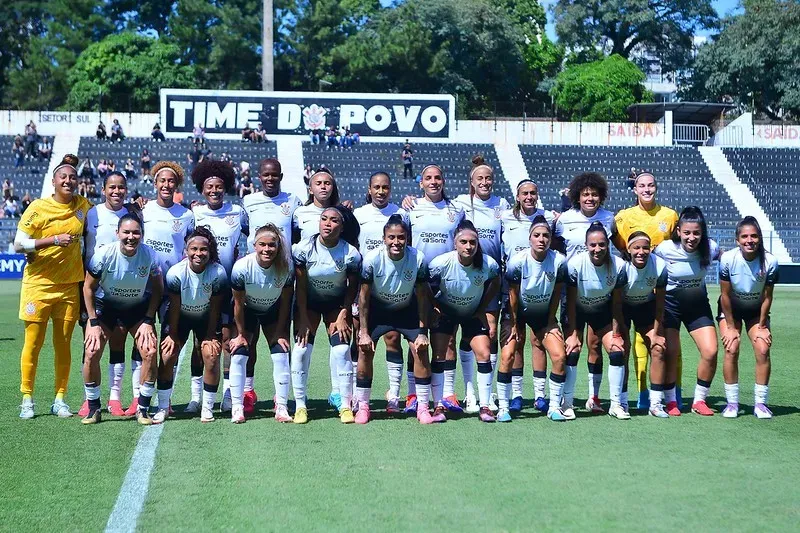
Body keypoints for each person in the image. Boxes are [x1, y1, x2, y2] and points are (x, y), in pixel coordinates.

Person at [15, 154, 92, 419]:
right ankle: (27, 398)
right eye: (64, 177)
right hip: (38, 285)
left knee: (64, 344)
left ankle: (59, 399)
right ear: (54, 181)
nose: (68, 181)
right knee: (33, 343)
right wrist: (50, 240)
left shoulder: (83, 206)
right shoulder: (38, 207)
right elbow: (18, 244)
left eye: (73, 177)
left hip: (69, 286)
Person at [81, 214, 163, 424]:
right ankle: (93, 408)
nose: (131, 237)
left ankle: (143, 409)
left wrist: (148, 319)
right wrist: (93, 322)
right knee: (91, 352)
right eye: (126, 232)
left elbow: (158, 289)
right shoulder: (103, 255)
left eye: (136, 232)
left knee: (150, 350)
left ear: (142, 235)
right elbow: (88, 288)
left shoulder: (150, 256)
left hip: (136, 309)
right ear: (117, 233)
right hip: (106, 308)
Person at [356, 215, 435, 423]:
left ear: (407, 238)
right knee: (365, 350)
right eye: (391, 237)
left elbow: (423, 297)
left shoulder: (417, 258)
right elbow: (363, 297)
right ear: (384, 238)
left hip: (406, 310)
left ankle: (423, 408)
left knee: (420, 349)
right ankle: (363, 406)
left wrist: (422, 332)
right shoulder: (372, 259)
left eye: (401, 237)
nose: (396, 242)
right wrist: (364, 332)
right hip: (378, 311)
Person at [614, 168, 680, 410]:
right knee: (622, 349)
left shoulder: (670, 215)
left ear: (656, 187)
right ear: (635, 189)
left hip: (656, 291)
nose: (647, 190)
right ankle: (622, 400)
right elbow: (622, 247)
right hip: (629, 288)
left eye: (651, 185)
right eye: (642, 186)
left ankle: (664, 399)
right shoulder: (623, 217)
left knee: (665, 346)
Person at [241, 158, 303, 410]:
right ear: (259, 176)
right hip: (255, 276)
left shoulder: (293, 201)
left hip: (281, 277)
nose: (270, 179)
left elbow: (300, 230)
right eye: (266, 175)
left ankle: (281, 395)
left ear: (281, 176)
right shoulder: (249, 202)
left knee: (280, 337)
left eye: (274, 175)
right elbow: (245, 233)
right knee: (249, 339)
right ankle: (247, 391)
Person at [403, 164, 464, 413]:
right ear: (421, 183)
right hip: (416, 282)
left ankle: (447, 394)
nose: (434, 182)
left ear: (444, 181)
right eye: (428, 178)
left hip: (445, 283)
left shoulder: (456, 210)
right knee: (414, 340)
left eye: (438, 177)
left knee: (447, 340)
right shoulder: (411, 208)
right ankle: (413, 396)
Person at [291, 206, 361, 424]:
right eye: (324, 219)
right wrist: (302, 318)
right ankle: (300, 406)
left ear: (342, 227)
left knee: (341, 350)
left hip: (336, 305)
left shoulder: (350, 253)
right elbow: (300, 287)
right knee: (301, 351)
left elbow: (352, 288)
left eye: (333, 221)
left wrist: (343, 313)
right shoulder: (303, 248)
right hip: (308, 304)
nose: (327, 224)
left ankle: (345, 405)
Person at [450, 156, 509, 413]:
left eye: (488, 178)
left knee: (489, 333)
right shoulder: (461, 203)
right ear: (471, 182)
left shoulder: (503, 204)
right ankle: (470, 391)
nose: (484, 182)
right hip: (465, 277)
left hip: (491, 278)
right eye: (480, 178)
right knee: (460, 333)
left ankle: (488, 389)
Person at [554, 172, 616, 414]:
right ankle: (566, 401)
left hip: (601, 290)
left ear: (601, 196)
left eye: (594, 194)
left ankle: (595, 397)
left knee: (596, 345)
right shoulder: (564, 220)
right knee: (573, 346)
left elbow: (617, 250)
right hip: (572, 292)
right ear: (577, 196)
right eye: (585, 194)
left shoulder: (609, 219)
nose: (590, 198)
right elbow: (558, 250)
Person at [189, 160, 247, 415]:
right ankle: (195, 396)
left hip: (229, 287)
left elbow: (254, 234)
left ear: (226, 188)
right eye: (209, 186)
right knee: (198, 342)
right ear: (202, 190)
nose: (214, 190)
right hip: (201, 287)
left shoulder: (237, 212)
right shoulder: (196, 214)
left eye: (219, 186)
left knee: (227, 341)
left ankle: (226, 393)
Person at [429, 220, 500, 422]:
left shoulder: (488, 264)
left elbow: (495, 282)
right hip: (446, 313)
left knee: (484, 353)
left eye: (472, 242)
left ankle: (485, 407)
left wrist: (482, 307)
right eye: (464, 242)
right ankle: (439, 406)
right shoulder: (440, 263)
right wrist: (435, 306)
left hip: (472, 314)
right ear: (455, 243)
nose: (468, 246)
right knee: (440, 355)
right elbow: (425, 287)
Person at [156, 227, 228, 424]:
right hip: (181, 317)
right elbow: (174, 306)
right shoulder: (175, 273)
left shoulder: (218, 272)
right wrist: (171, 335)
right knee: (168, 354)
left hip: (206, 318)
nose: (198, 254)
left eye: (203, 249)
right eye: (193, 249)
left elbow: (215, 307)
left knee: (211, 356)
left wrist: (212, 335)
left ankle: (206, 407)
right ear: (186, 251)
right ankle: (163, 407)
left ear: (210, 251)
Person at [500, 215, 568, 422]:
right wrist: (513, 324)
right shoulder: (518, 261)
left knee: (559, 356)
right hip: (516, 311)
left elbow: (556, 293)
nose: (541, 239)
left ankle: (553, 406)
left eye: (546, 235)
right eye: (537, 235)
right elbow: (512, 295)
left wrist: (550, 321)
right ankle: (506, 405)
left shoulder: (559, 261)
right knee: (509, 353)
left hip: (542, 313)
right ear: (529, 238)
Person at [655, 206, 721, 416]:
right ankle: (671, 401)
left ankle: (699, 400)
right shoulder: (665, 248)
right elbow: (645, 260)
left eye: (696, 233)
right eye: (687, 233)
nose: (691, 238)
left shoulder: (710, 248)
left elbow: (730, 255)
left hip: (697, 306)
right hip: (670, 306)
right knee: (671, 352)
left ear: (703, 233)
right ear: (678, 232)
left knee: (711, 351)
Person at [353, 172, 409, 411]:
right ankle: (358, 397)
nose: (381, 191)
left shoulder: (402, 214)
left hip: (395, 284)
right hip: (366, 285)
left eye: (385, 187)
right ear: (369, 189)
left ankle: (394, 394)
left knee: (393, 338)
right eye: (376, 187)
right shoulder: (359, 214)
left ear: (390, 189)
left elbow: (409, 247)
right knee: (362, 340)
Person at [81, 172, 136, 416]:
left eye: (121, 187)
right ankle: (89, 398)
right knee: (91, 344)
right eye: (112, 187)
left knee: (119, 340)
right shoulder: (91, 214)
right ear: (103, 190)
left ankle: (115, 397)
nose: (117, 191)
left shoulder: (133, 215)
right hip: (94, 289)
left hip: (123, 291)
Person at [563, 222, 628, 420]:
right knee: (572, 351)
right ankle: (567, 403)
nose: (597, 249)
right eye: (593, 245)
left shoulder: (619, 266)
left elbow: (617, 305)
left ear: (608, 245)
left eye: (602, 244)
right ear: (586, 245)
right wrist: (573, 334)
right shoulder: (574, 264)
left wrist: (617, 335)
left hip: (602, 311)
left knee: (617, 351)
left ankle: (616, 405)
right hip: (577, 311)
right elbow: (571, 302)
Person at [229, 225, 293, 423]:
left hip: (272, 311)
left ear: (278, 246)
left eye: (271, 245)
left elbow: (286, 302)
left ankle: (281, 406)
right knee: (239, 355)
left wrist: (281, 331)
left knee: (281, 353)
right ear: (254, 246)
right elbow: (238, 304)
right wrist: (240, 334)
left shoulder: (286, 267)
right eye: (262, 245)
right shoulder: (241, 268)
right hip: (247, 310)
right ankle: (237, 407)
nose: (267, 249)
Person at [500, 180, 555, 412]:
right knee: (517, 340)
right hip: (512, 286)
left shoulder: (549, 218)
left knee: (538, 341)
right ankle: (517, 395)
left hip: (540, 289)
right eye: (525, 193)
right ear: (517, 195)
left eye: (533, 193)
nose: (529, 197)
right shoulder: (504, 217)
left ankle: (541, 395)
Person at [718, 217, 779, 419]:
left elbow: (768, 297)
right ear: (737, 240)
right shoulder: (727, 259)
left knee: (763, 348)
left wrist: (762, 325)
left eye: (753, 236)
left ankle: (760, 404)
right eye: (744, 236)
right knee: (732, 346)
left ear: (760, 238)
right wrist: (730, 326)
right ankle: (732, 404)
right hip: (731, 311)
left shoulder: (770, 261)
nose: (749, 240)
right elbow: (725, 296)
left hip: (756, 311)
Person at [620, 231, 669, 417]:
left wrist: (657, 333)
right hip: (623, 308)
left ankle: (656, 403)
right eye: (637, 248)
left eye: (645, 247)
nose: (641, 252)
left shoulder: (660, 266)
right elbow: (616, 303)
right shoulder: (621, 268)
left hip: (646, 308)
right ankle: (622, 402)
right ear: (629, 249)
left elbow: (660, 303)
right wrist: (618, 331)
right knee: (622, 350)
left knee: (658, 347)